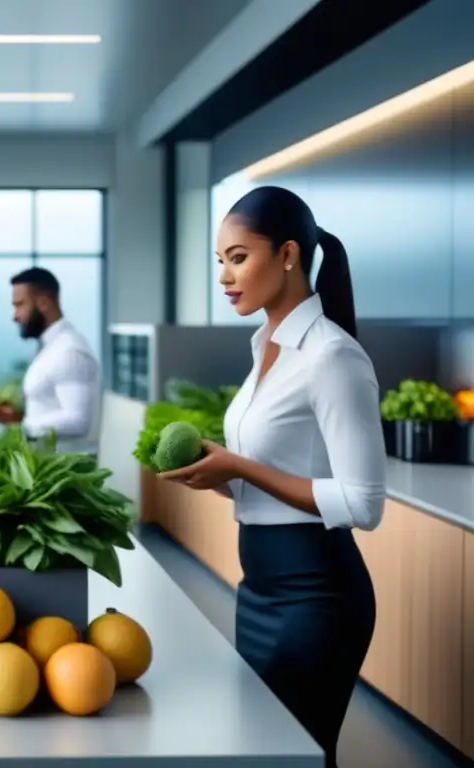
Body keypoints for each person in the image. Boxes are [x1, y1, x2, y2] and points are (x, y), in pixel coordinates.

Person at [156, 185, 383, 767]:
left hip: (316, 595)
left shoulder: (333, 356)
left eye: (238, 258)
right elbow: (280, 473)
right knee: (263, 752)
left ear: (288, 255)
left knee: (294, 755)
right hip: (258, 585)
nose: (225, 275)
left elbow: (364, 503)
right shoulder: (265, 348)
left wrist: (239, 466)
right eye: (220, 262)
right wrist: (223, 476)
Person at [10, 267, 100, 452]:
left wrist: (23, 428)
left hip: (66, 472)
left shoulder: (70, 351)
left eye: (19, 305)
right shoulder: (52, 346)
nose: (15, 316)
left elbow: (78, 420)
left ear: (43, 302)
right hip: (47, 465)